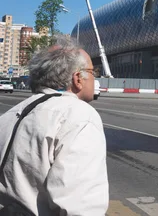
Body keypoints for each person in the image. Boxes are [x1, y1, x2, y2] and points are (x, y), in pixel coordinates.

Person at [0, 36, 109, 215]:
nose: (94, 77)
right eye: (92, 71)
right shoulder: (79, 116)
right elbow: (81, 207)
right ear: (78, 78)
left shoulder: (10, 115)